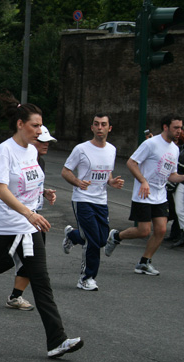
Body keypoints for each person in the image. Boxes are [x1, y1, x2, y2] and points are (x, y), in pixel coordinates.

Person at [0, 94, 83, 359]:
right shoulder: (6, 150)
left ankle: (56, 340)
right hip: (1, 227)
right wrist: (28, 213)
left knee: (42, 282)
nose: (39, 130)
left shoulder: (32, 151)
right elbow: (1, 189)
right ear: (21, 124)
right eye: (35, 125)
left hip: (27, 228)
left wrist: (42, 192)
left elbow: (25, 185)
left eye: (40, 126)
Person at [104, 114, 184, 275]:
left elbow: (171, 175)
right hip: (143, 194)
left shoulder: (175, 149)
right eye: (176, 127)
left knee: (161, 230)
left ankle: (144, 262)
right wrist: (143, 181)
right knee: (144, 231)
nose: (179, 131)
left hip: (160, 195)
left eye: (181, 128)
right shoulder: (151, 144)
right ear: (165, 127)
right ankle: (116, 236)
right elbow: (131, 163)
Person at [61, 113, 124, 291]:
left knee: (102, 239)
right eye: (96, 124)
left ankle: (72, 235)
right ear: (92, 127)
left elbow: (107, 173)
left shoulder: (111, 149)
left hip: (101, 201)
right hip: (82, 200)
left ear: (109, 128)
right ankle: (86, 278)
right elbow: (65, 171)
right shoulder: (81, 149)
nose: (100, 128)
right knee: (93, 241)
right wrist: (78, 182)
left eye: (103, 124)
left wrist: (111, 182)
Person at [3, 125, 57, 311]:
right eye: (42, 141)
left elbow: (32, 186)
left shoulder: (39, 161)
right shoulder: (12, 155)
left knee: (33, 262)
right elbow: (6, 189)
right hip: (10, 220)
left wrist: (44, 192)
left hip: (32, 221)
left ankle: (16, 296)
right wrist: (25, 213)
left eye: (48, 142)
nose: (46, 145)